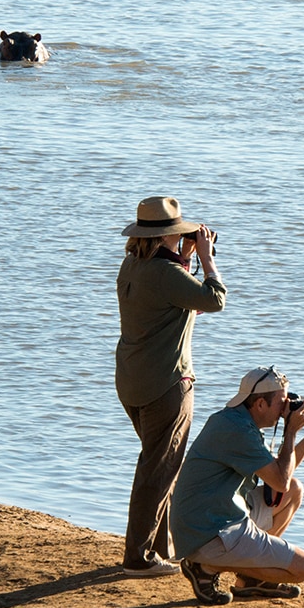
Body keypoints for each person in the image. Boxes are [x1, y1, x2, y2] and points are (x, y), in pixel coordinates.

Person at [171, 366, 304, 605]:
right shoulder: (236, 431)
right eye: (281, 402)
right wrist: (290, 432)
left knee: (294, 491)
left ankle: (249, 579)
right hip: (207, 531)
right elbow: (279, 480)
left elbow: (281, 477)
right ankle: (202, 566)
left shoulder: (237, 420)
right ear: (259, 404)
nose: (286, 408)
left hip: (214, 514)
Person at [115, 196, 226, 578]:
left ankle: (158, 548)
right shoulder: (167, 274)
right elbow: (213, 300)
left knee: (157, 465)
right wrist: (208, 259)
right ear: (168, 236)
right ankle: (139, 558)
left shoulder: (132, 266)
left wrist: (186, 259)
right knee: (158, 471)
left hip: (132, 380)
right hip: (166, 384)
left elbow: (177, 303)